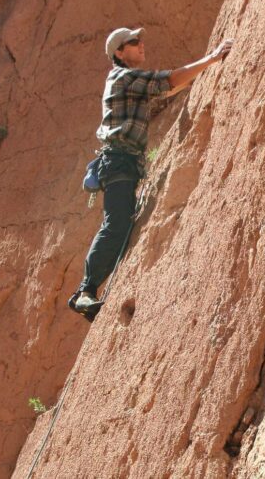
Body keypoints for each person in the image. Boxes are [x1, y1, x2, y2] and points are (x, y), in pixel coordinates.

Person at [70, 27, 233, 316]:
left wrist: (200, 73)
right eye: (133, 42)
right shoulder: (123, 76)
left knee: (121, 224)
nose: (141, 44)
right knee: (117, 222)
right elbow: (167, 80)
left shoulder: (129, 81)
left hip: (123, 162)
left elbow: (168, 87)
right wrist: (212, 59)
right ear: (119, 53)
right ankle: (85, 290)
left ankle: (89, 289)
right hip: (118, 160)